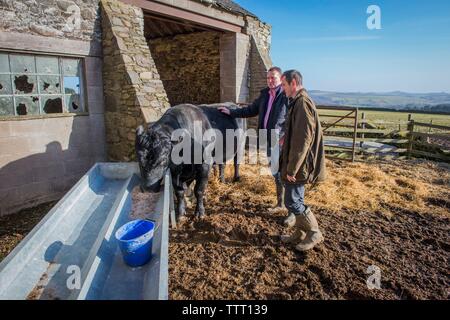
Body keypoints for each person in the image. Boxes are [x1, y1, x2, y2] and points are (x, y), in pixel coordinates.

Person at [219, 67, 289, 218]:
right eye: (268, 78)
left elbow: (292, 120)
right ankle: (280, 203)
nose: (270, 81)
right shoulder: (265, 95)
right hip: (267, 139)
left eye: (273, 78)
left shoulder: (286, 96)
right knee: (276, 172)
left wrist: (285, 137)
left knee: (284, 173)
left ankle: (289, 208)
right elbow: (250, 110)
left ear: (281, 78)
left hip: (281, 141)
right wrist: (231, 112)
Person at [279, 69, 326, 252]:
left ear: (294, 83)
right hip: (298, 162)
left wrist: (292, 169)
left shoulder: (302, 103)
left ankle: (314, 233)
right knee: (295, 198)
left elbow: (302, 140)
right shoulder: (297, 101)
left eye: (284, 85)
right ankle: (299, 233)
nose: (283, 89)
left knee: (292, 201)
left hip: (300, 165)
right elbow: (296, 133)